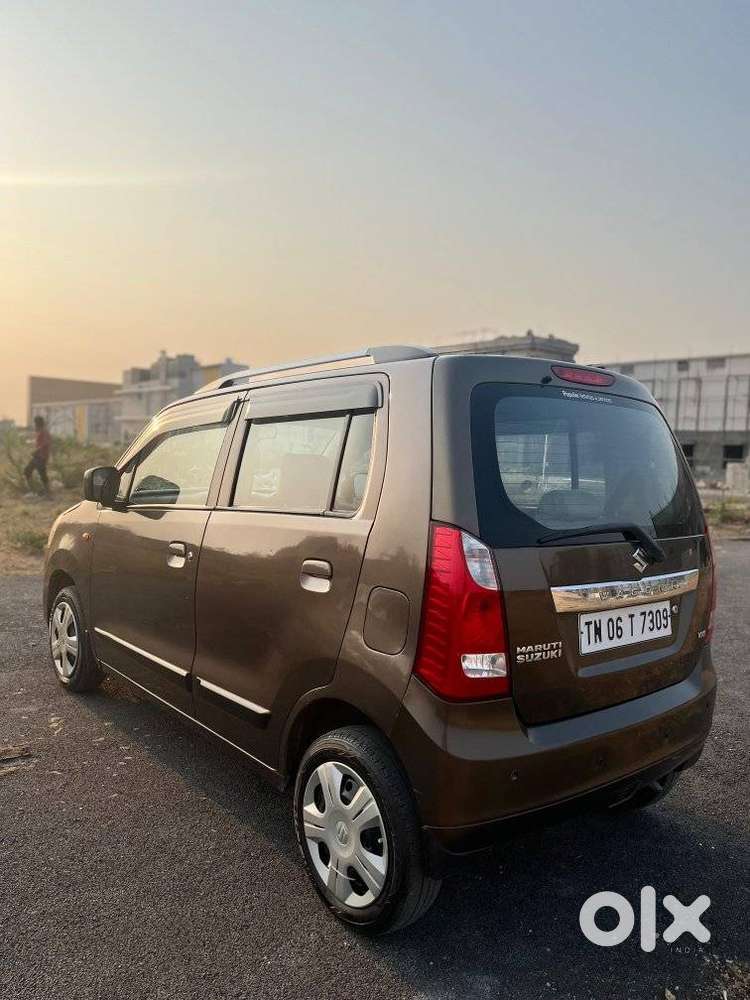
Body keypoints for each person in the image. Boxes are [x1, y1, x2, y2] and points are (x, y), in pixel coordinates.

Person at [24, 416, 52, 496]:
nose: (34, 425)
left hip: (41, 457)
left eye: (35, 423)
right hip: (38, 456)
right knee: (28, 471)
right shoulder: (41, 431)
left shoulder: (44, 432)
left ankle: (45, 492)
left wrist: (36, 450)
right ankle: (36, 491)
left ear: (38, 423)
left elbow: (45, 443)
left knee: (41, 474)